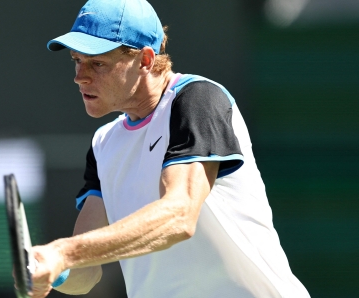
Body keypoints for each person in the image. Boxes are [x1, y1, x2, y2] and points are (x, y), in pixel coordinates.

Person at [29, 0, 310, 297]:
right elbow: (85, 274)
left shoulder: (197, 100)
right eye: (76, 60)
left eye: (97, 63)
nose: (80, 76)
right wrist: (48, 269)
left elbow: (179, 216)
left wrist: (64, 252)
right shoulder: (103, 143)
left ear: (146, 60)